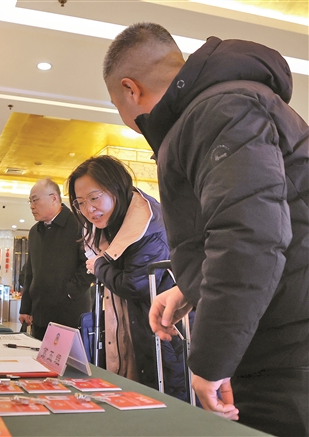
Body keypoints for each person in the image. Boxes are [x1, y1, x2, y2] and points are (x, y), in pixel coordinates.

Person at [103, 23, 308, 436]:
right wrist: (191, 287)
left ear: (130, 90)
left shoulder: (218, 110)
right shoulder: (224, 106)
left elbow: (249, 238)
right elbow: (258, 221)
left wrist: (212, 361)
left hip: (284, 350)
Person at [67, 155, 188, 401]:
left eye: (94, 197)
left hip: (166, 332)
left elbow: (134, 284)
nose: (89, 209)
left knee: (168, 403)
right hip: (141, 330)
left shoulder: (146, 223)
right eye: (80, 203)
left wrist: (99, 265)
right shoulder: (110, 224)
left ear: (116, 187)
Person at [19, 178, 94, 340]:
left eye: (35, 200)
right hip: (39, 314)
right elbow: (30, 272)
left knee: (67, 356)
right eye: (30, 201)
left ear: (54, 198)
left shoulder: (79, 225)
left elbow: (89, 265)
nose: (32, 206)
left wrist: (69, 292)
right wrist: (25, 307)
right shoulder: (35, 231)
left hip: (69, 313)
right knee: (39, 354)